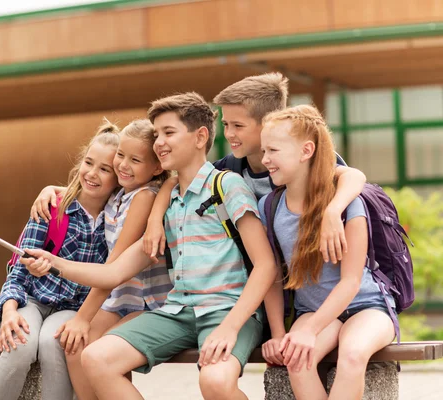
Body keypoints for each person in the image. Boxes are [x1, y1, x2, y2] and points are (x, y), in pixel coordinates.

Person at [23, 92, 278, 400]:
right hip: (178, 311)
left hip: (227, 310)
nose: (159, 142)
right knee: (96, 357)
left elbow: (266, 266)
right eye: (156, 134)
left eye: (168, 133)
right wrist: (54, 261)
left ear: (200, 137)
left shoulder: (227, 186)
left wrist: (230, 327)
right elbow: (114, 273)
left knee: (215, 382)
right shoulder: (165, 202)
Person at [143, 72, 366, 268]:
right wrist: (154, 221)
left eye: (238, 126)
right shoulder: (229, 170)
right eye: (226, 125)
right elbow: (180, 180)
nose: (229, 134)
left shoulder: (303, 161)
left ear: (270, 122)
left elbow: (354, 176)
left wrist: (333, 211)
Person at [258, 105, 395, 400]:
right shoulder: (269, 208)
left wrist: (310, 331)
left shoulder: (348, 204)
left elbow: (351, 282)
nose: (264, 159)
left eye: (273, 150)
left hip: (367, 307)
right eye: (263, 150)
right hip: (314, 311)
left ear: (306, 151)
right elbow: (272, 276)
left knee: (353, 355)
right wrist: (280, 333)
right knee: (297, 361)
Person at [0, 119, 120, 400]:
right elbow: (17, 273)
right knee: (19, 342)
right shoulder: (51, 207)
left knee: (54, 343)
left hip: (74, 307)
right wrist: (9, 311)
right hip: (31, 300)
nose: (92, 174)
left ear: (119, 176)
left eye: (105, 169)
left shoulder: (118, 220)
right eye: (88, 163)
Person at [51, 119, 173, 400]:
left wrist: (83, 318)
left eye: (135, 159)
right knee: (74, 348)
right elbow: (82, 190)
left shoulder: (144, 197)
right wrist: (51, 190)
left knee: (101, 351)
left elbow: (114, 266)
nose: (123, 165)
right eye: (120, 155)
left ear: (156, 168)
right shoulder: (119, 195)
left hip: (147, 301)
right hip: (119, 299)